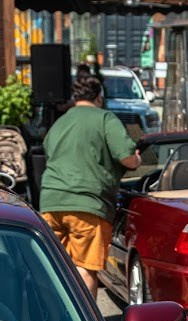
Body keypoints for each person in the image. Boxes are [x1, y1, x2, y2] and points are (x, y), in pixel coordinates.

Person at [40, 73, 140, 300]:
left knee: (57, 269)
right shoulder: (104, 118)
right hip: (87, 203)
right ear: (99, 96)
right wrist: (137, 159)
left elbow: (49, 153)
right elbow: (126, 158)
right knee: (85, 268)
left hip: (51, 202)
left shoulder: (60, 122)